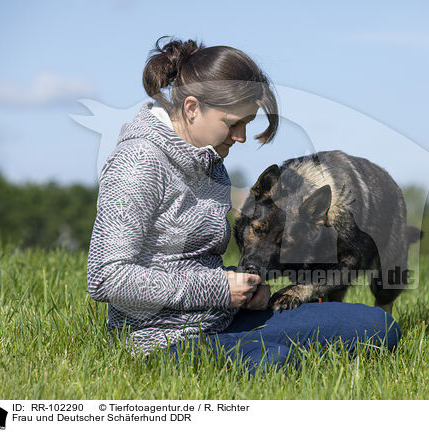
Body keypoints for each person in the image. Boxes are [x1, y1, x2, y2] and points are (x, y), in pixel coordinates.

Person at [87, 37, 401, 374]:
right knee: (275, 360)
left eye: (246, 125)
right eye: (232, 123)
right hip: (161, 339)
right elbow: (106, 277)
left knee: (378, 326)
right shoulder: (137, 162)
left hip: (221, 319)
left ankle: (257, 350)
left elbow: (193, 265)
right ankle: (257, 355)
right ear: (192, 108)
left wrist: (245, 287)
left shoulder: (209, 160)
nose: (240, 137)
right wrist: (221, 288)